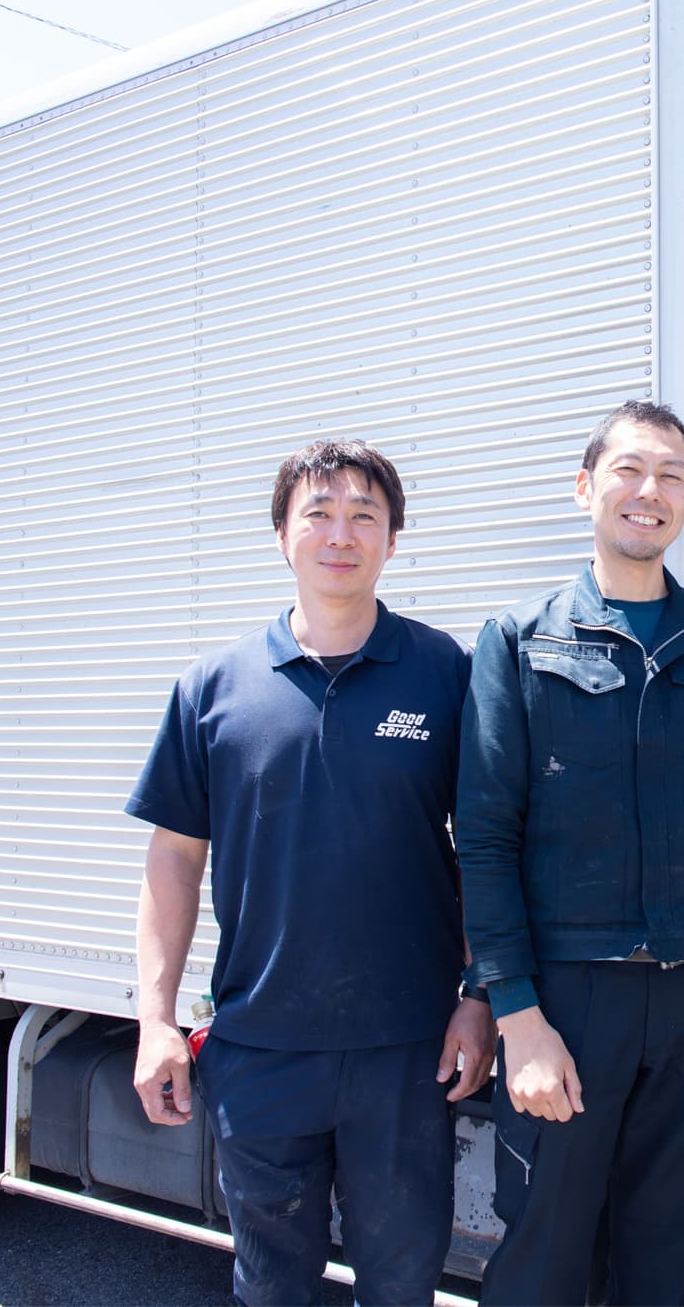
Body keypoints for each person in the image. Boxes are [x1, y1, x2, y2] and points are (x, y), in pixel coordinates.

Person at [126, 439, 495, 1306]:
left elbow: (483, 845)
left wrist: (479, 996)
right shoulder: (215, 687)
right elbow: (174, 860)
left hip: (406, 1049)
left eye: (364, 514)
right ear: (281, 536)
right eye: (318, 514)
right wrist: (155, 1018)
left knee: (401, 1285)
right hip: (260, 1049)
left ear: (393, 539)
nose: (341, 533)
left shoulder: (442, 671)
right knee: (270, 1286)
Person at [455, 400, 684, 1305]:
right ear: (586, 488)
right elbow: (485, 839)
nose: (650, 491)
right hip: (572, 996)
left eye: (671, 475)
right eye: (629, 470)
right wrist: (517, 1018)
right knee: (543, 1262)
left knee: (671, 1254)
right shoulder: (521, 639)